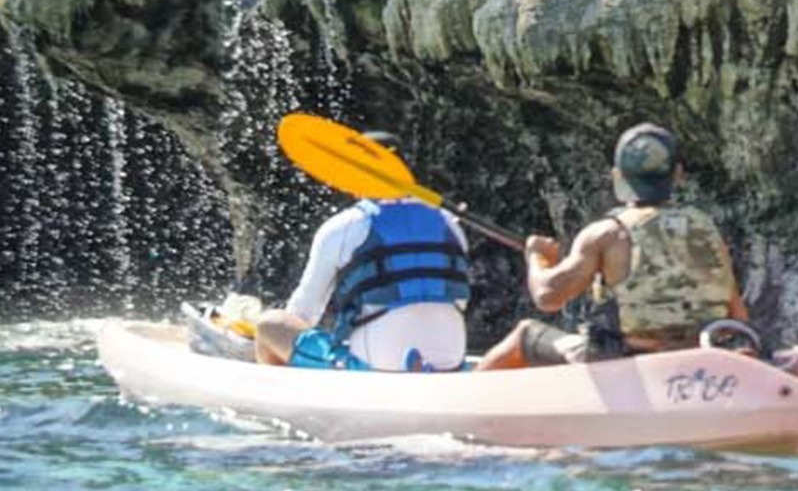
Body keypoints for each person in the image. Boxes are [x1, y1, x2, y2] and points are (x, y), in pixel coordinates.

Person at [476, 122, 747, 370]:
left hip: (626, 361)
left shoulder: (606, 234)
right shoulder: (707, 229)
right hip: (706, 355)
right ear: (677, 175)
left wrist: (536, 256)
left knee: (526, 335)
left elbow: (547, 297)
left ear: (618, 176)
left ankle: (462, 406)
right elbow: (737, 313)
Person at [254, 130, 472, 372]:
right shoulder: (451, 224)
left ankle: (282, 401)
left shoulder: (345, 226)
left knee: (270, 326)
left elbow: (303, 314)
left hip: (375, 370)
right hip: (452, 366)